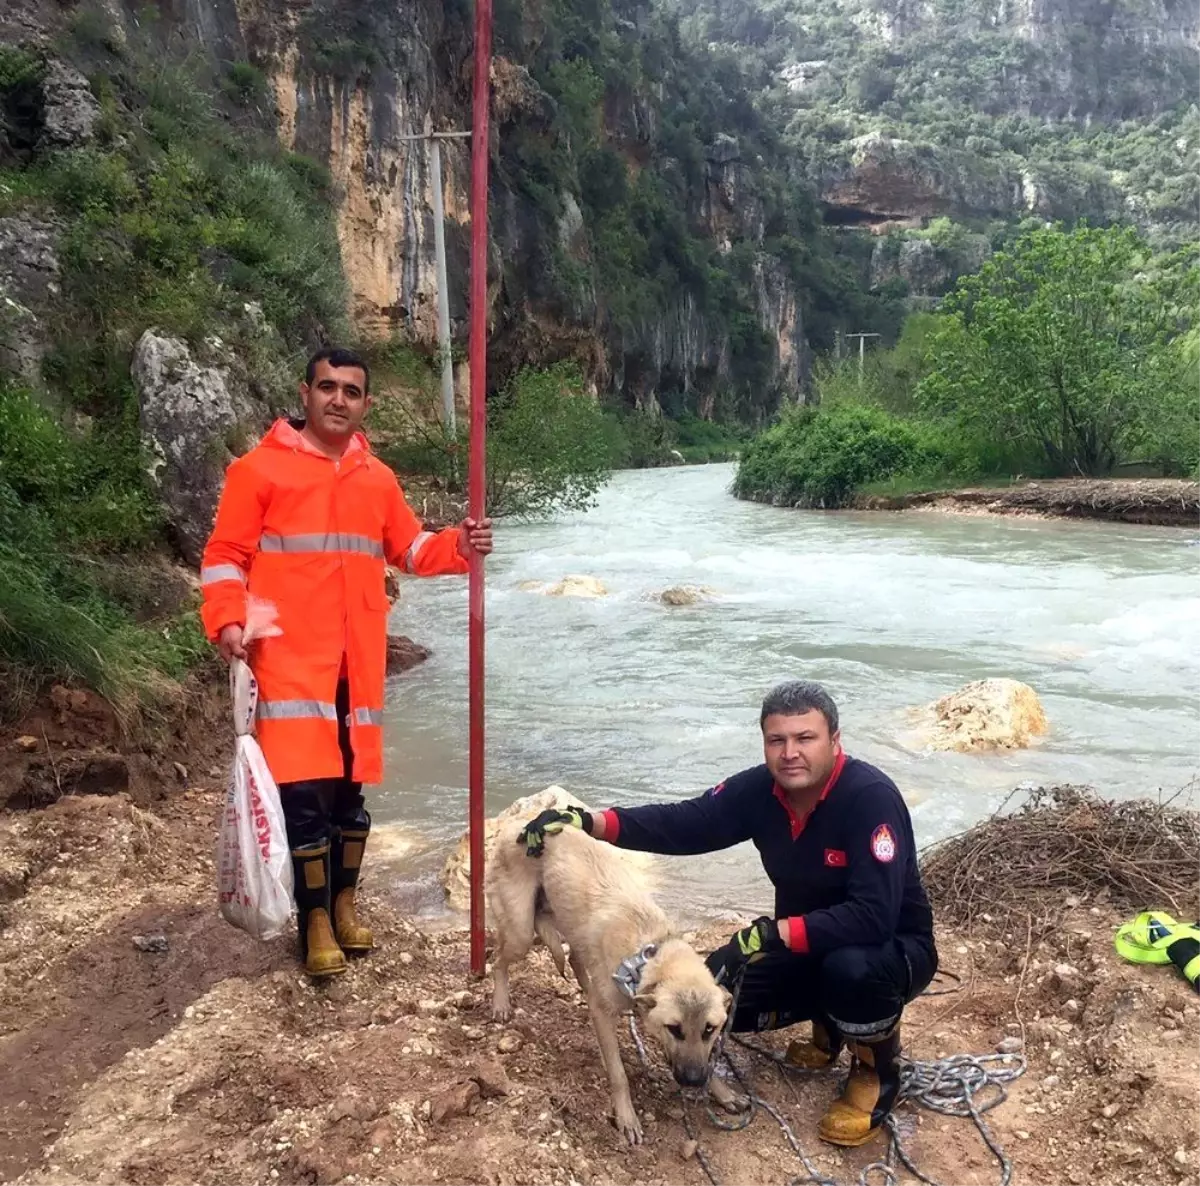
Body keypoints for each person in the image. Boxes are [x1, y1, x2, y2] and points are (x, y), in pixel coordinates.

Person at [517, 679, 937, 1148]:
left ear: (835, 741)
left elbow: (874, 916)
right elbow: (686, 821)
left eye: (805, 738)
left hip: (892, 951)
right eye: (777, 740)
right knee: (711, 994)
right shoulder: (763, 790)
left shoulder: (869, 798)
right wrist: (590, 821)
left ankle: (875, 1070)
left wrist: (771, 935)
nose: (789, 753)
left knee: (851, 971)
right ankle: (830, 1030)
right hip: (804, 945)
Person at [200, 346, 493, 979]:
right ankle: (314, 922)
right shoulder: (258, 471)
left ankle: (344, 901)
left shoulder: (376, 479)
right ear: (304, 393)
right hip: (286, 661)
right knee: (302, 794)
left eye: (351, 391)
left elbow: (410, 548)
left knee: (349, 794)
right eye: (327, 387)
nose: (338, 399)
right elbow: (225, 555)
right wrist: (226, 619)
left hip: (357, 664)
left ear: (365, 404)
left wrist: (459, 545)